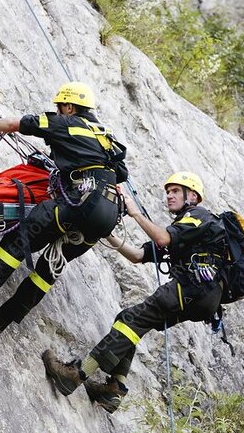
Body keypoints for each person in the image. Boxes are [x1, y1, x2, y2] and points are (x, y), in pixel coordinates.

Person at [0, 82, 128, 336]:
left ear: (69, 106)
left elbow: (17, 124)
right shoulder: (107, 137)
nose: (58, 110)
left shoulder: (66, 123)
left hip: (84, 201)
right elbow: (121, 172)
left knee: (19, 240)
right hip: (107, 215)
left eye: (60, 107)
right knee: (49, 268)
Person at [42, 172, 226, 413]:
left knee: (131, 320)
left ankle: (75, 374)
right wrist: (106, 230)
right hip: (204, 298)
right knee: (128, 321)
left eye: (175, 191)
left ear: (192, 195)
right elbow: (138, 256)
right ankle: (114, 389)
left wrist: (134, 212)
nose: (169, 196)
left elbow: (161, 238)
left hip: (194, 286)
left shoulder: (198, 216)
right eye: (168, 192)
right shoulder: (186, 234)